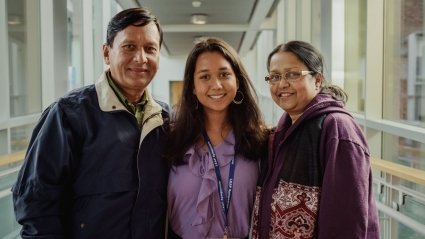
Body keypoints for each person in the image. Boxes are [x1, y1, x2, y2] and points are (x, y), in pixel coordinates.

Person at [12, 7, 170, 238]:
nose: (140, 58)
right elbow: (37, 203)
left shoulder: (165, 118)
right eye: (129, 47)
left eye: (150, 49)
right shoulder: (68, 114)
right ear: (107, 53)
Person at [251, 40, 380, 239]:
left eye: (292, 74)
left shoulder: (337, 128)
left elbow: (346, 221)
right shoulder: (281, 133)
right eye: (275, 76)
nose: (282, 84)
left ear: (318, 80)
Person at [166, 37, 269, 239]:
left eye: (224, 74)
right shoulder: (171, 138)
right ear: (193, 87)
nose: (216, 84)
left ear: (237, 81)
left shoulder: (261, 139)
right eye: (205, 77)